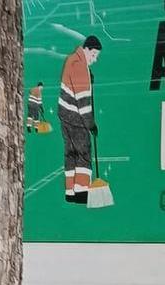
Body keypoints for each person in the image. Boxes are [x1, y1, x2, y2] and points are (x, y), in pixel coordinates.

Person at [60, 36, 101, 203]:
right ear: (87, 50)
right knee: (83, 153)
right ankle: (82, 193)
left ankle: (70, 192)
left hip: (64, 115)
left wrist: (88, 77)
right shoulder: (81, 67)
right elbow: (83, 102)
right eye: (94, 55)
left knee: (70, 154)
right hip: (76, 118)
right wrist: (91, 125)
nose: (95, 59)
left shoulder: (71, 59)